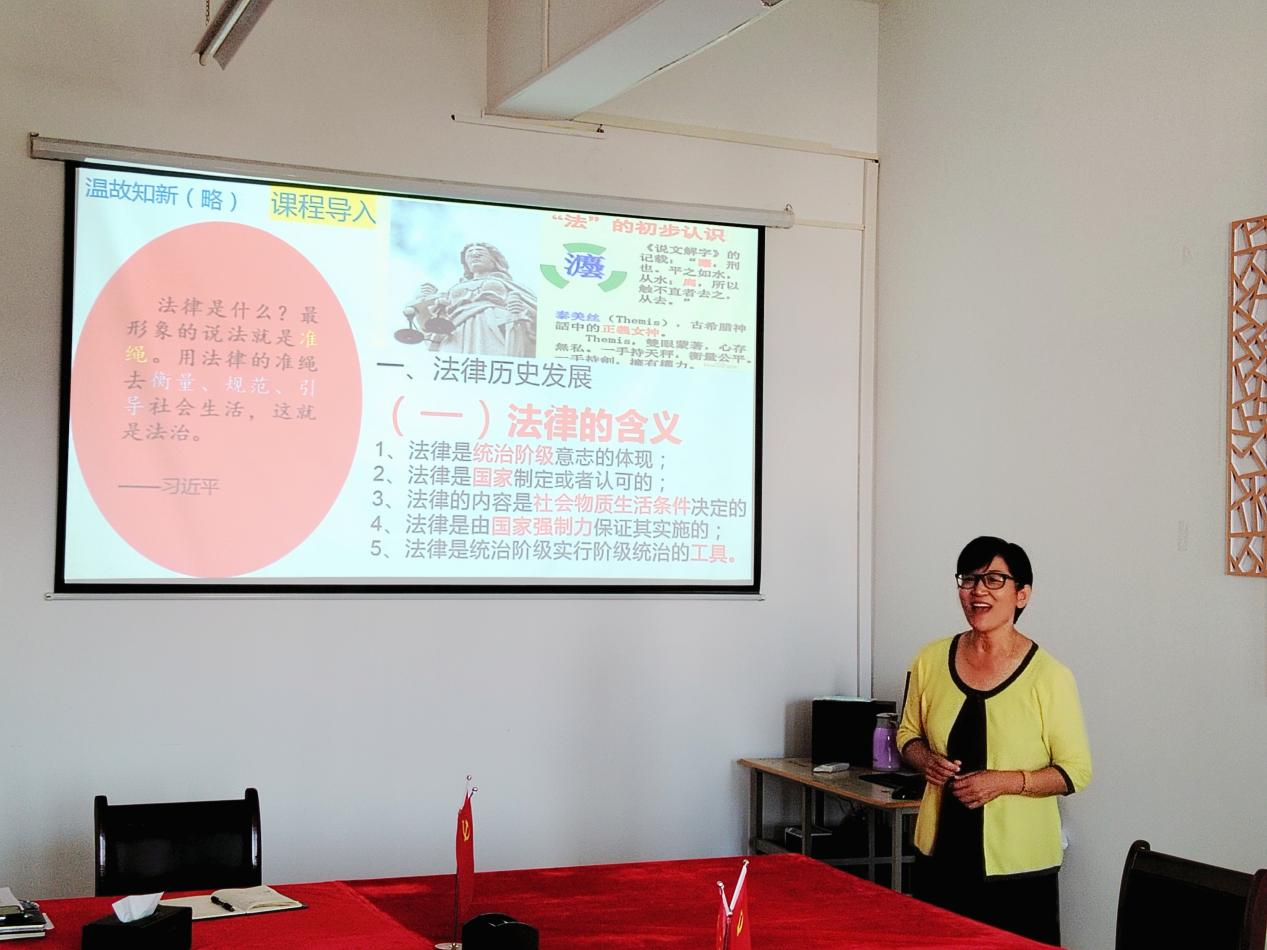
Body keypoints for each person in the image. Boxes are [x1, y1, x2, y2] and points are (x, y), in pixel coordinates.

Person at [896, 536, 1091, 946]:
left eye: (994, 579)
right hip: (939, 857)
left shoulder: (1050, 676)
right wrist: (925, 759)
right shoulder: (929, 660)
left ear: (1022, 594)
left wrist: (1004, 782)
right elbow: (907, 734)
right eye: (968, 579)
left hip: (1018, 873)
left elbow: (1075, 772)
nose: (978, 591)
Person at [402, 242, 537, 356]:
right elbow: (432, 321)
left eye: (480, 252)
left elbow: (534, 310)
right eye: (469, 254)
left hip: (493, 324)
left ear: (494, 260)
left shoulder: (508, 284)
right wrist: (425, 299)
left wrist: (517, 308)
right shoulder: (454, 289)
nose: (474, 255)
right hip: (456, 329)